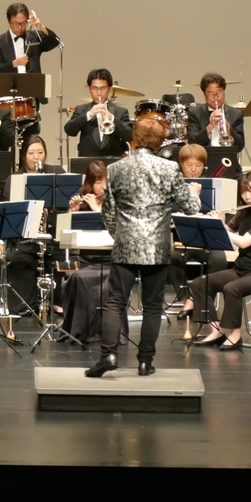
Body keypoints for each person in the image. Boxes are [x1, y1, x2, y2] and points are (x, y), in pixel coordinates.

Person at [85, 119, 202, 378]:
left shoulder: (116, 168)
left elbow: (109, 213)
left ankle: (108, 355)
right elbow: (191, 208)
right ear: (160, 143)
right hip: (157, 247)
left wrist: (119, 236)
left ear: (135, 139)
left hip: (125, 244)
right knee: (152, 306)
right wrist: (194, 193)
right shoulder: (169, 168)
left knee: (115, 302)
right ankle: (145, 362)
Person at [179, 173, 251, 350]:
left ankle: (235, 335)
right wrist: (216, 222)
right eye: (244, 192)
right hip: (241, 269)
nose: (247, 196)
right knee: (200, 283)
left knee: (232, 289)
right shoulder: (244, 212)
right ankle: (216, 330)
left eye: (250, 191)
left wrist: (221, 227)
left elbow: (243, 242)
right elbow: (228, 232)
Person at [2, 135, 65, 314]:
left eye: (40, 152)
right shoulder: (15, 178)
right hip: (26, 239)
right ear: (24, 155)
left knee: (64, 257)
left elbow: (64, 206)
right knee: (19, 259)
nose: (36, 157)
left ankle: (58, 301)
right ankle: (27, 303)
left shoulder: (57, 172)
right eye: (31, 153)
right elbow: (12, 214)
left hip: (53, 237)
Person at [61, 161, 121, 341]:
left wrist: (97, 209)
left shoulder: (117, 202)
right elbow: (66, 237)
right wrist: (73, 212)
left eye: (106, 181)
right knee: (73, 276)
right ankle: (77, 328)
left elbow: (118, 232)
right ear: (90, 183)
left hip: (110, 258)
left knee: (88, 278)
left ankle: (103, 329)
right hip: (84, 258)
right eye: (98, 182)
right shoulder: (83, 202)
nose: (103, 187)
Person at [169, 144, 226, 311]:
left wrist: (219, 218)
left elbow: (222, 216)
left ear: (204, 166)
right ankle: (186, 298)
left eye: (198, 165)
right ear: (181, 164)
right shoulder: (173, 185)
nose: (193, 170)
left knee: (219, 259)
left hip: (207, 242)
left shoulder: (213, 186)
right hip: (180, 241)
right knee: (169, 256)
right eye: (189, 165)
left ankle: (205, 298)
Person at [64, 69, 134, 157]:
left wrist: (112, 119)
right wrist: (89, 115)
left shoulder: (121, 111)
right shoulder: (81, 110)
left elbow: (129, 136)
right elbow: (69, 131)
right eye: (95, 88)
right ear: (89, 89)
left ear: (110, 89)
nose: (99, 93)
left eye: (103, 88)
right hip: (87, 161)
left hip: (113, 161)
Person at [0, 2, 60, 74]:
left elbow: (55, 42)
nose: (20, 27)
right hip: (10, 80)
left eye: (23, 23)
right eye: (16, 23)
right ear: (9, 21)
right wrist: (13, 64)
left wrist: (41, 26)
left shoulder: (34, 37)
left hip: (33, 80)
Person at [186, 72, 245, 151]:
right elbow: (192, 143)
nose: (216, 97)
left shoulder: (236, 114)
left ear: (224, 92)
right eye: (211, 94)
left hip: (227, 155)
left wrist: (229, 129)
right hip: (204, 155)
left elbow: (240, 146)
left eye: (219, 93)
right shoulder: (194, 113)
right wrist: (210, 126)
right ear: (204, 95)